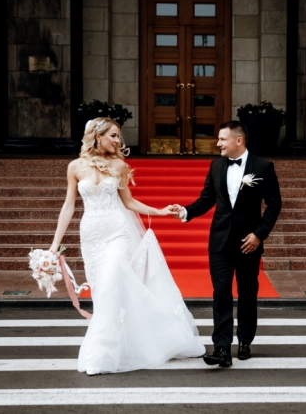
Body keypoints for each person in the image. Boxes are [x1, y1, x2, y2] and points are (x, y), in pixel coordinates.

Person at [50, 117, 205, 375]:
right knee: (102, 293)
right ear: (97, 136)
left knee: (110, 284)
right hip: (91, 237)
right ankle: (118, 346)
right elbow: (68, 206)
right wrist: (55, 244)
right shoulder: (75, 167)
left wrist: (160, 211)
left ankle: (101, 355)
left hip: (117, 233)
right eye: (113, 135)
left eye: (118, 136)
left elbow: (129, 203)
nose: (118, 140)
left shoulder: (119, 166)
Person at [171, 121, 282, 368]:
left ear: (238, 140)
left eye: (222, 139)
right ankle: (221, 348)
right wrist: (186, 211)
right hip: (220, 242)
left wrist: (259, 234)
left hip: (248, 242)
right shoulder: (216, 166)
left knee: (247, 292)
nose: (218, 143)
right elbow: (206, 199)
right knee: (221, 292)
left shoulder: (263, 167)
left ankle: (244, 341)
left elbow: (274, 204)